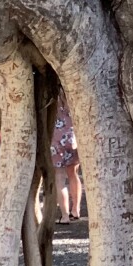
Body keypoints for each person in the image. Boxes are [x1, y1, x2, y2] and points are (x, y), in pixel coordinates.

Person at [50, 92, 82, 223]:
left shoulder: (50, 93)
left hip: (56, 138)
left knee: (60, 177)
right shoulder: (73, 91)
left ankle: (65, 215)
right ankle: (76, 209)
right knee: (74, 174)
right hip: (73, 136)